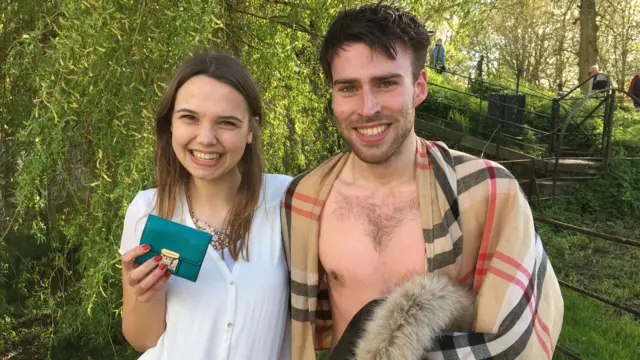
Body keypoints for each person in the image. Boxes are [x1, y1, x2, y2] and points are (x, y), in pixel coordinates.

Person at [282, 4, 563, 359]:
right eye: (348, 88)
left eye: (386, 83)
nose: (367, 108)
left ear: (419, 87)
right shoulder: (304, 199)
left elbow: (518, 338)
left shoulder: (490, 193)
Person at [119, 52, 292, 359]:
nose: (206, 138)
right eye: (190, 118)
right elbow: (143, 340)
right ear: (170, 123)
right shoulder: (147, 210)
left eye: (226, 122)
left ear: (251, 130)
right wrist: (146, 296)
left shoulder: (286, 201)